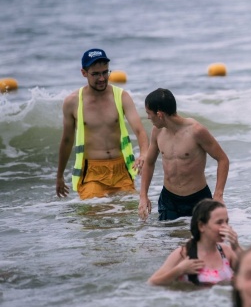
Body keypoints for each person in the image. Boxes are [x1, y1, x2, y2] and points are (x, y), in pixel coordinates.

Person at [56, 49, 149, 200]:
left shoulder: (121, 96)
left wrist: (144, 154)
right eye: (96, 74)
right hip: (91, 174)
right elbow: (67, 141)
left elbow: (139, 130)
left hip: (121, 170)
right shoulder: (72, 102)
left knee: (130, 213)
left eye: (105, 72)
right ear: (84, 73)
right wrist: (59, 176)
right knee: (94, 214)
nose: (102, 78)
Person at [138, 88, 229, 221]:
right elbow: (149, 162)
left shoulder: (196, 131)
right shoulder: (157, 132)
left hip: (198, 200)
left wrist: (218, 194)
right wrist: (143, 196)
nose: (148, 117)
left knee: (202, 235)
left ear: (159, 114)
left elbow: (222, 159)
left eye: (149, 113)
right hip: (169, 200)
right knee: (167, 235)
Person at [148, 199, 241, 286]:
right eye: (219, 222)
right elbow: (152, 283)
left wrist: (236, 247)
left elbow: (248, 273)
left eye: (226, 222)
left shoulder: (225, 252)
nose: (226, 227)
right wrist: (179, 270)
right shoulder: (183, 253)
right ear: (201, 226)